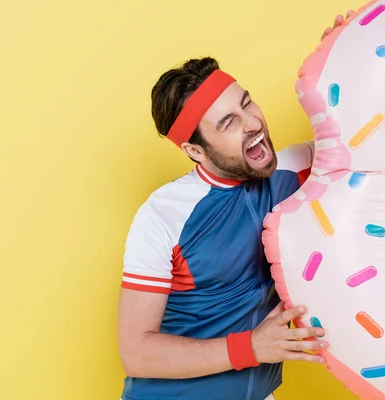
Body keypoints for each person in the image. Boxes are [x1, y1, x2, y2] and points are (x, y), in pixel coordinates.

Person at [118, 12, 353, 400]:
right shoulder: (164, 215)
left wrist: (343, 59)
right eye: (228, 123)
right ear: (195, 150)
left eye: (247, 103)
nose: (252, 123)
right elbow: (136, 352)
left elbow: (360, 133)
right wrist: (252, 348)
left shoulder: (292, 169)